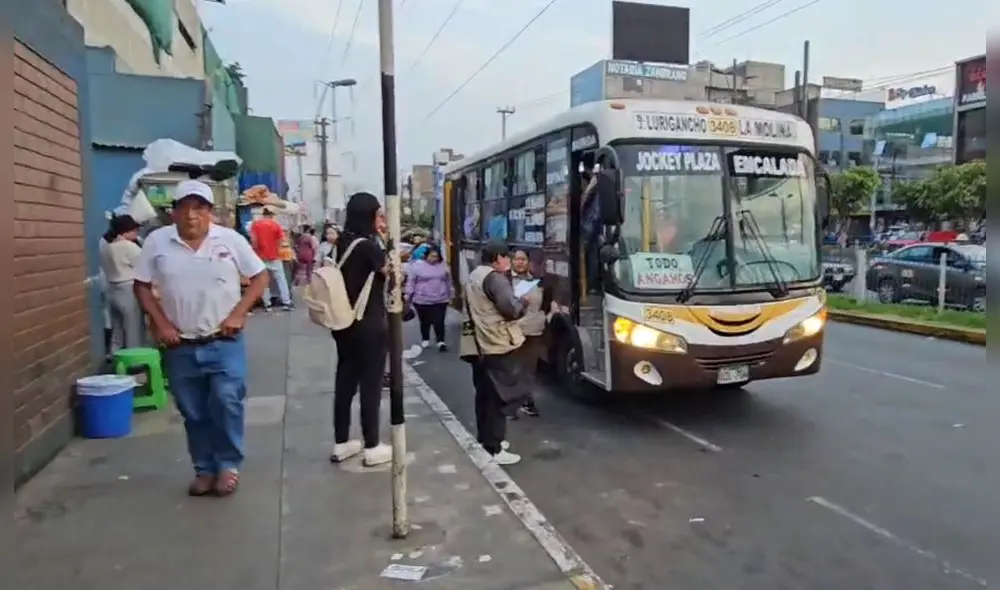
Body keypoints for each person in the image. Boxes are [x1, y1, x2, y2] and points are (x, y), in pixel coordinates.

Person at [133, 179, 269, 497]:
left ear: (209, 213)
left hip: (223, 342)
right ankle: (204, 469)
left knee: (225, 400)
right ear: (174, 212)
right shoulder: (157, 242)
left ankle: (228, 465)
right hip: (181, 344)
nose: (192, 215)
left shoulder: (230, 241)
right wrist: (161, 322)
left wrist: (239, 313)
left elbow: (261, 276)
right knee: (193, 411)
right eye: (185, 208)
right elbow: (140, 285)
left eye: (200, 208)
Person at [329, 192, 392, 467]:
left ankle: (342, 442)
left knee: (345, 381)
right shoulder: (368, 246)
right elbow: (390, 274)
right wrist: (387, 241)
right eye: (378, 214)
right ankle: (372, 445)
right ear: (369, 215)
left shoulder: (340, 243)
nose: (381, 219)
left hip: (343, 322)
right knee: (371, 384)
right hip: (369, 323)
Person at [459, 241, 530, 465]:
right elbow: (512, 310)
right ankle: (495, 448)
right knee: (499, 396)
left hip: (478, 344)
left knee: (484, 395)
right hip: (495, 342)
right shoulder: (496, 279)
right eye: (507, 257)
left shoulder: (476, 275)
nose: (510, 262)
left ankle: (486, 440)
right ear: (498, 258)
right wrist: (523, 302)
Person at [100, 214, 146, 350]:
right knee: (133, 331)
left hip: (112, 289)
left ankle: (116, 358)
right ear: (128, 230)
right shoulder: (129, 247)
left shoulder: (107, 248)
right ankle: (135, 364)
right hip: (128, 290)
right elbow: (145, 265)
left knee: (117, 330)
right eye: (135, 230)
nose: (137, 233)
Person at [511, 249, 545, 417]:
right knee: (512, 368)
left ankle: (527, 401)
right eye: (516, 259)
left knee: (529, 369)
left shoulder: (537, 281)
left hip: (534, 331)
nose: (520, 262)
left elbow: (544, 304)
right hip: (512, 331)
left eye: (523, 259)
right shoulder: (504, 280)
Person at [405, 244, 453, 351]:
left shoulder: (443, 266)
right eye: (431, 256)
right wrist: (408, 294)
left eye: (436, 256)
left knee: (439, 321)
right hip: (422, 299)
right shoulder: (417, 265)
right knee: (425, 321)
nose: (433, 259)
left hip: (440, 298)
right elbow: (411, 281)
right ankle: (425, 338)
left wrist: (451, 294)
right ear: (426, 256)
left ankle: (441, 341)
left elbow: (448, 281)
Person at [249, 206, 293, 311]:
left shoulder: (255, 225)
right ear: (272, 215)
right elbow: (281, 240)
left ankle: (267, 304)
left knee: (264, 281)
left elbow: (253, 241)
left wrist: (257, 251)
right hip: (274, 257)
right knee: (281, 279)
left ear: (263, 215)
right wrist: (276, 250)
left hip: (260, 257)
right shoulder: (276, 225)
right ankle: (286, 302)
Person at [580, 170, 601, 293]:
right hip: (592, 227)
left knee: (591, 254)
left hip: (591, 227)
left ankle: (592, 285)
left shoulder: (596, 183)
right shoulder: (595, 183)